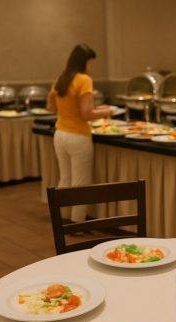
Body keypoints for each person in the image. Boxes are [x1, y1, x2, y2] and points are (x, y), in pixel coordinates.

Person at [47, 44, 112, 221]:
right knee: (80, 182)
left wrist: (95, 109)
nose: (91, 66)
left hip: (60, 134)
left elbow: (51, 107)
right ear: (85, 62)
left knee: (65, 178)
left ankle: (61, 219)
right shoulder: (84, 80)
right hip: (78, 136)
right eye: (91, 62)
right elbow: (86, 114)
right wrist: (108, 111)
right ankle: (77, 223)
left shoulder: (61, 79)